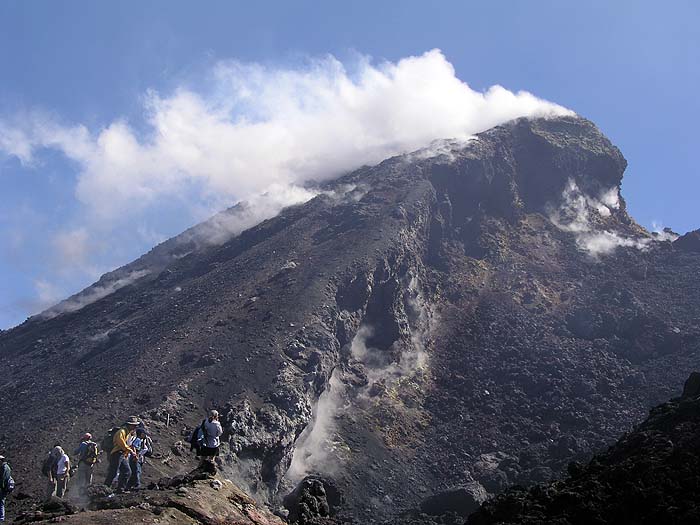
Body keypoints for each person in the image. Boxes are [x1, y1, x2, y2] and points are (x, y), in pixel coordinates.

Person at [104, 416, 139, 493]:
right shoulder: (121, 432)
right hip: (117, 453)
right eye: (134, 425)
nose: (135, 427)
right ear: (129, 425)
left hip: (122, 454)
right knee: (113, 472)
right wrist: (131, 451)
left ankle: (120, 489)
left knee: (127, 471)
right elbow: (121, 444)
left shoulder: (127, 433)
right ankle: (104, 488)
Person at [0, 455, 13, 522]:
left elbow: (2, 479)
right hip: (5, 487)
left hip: (2, 488)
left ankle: (1, 518)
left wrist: (1, 487)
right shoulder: (7, 467)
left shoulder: (3, 468)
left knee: (1, 502)